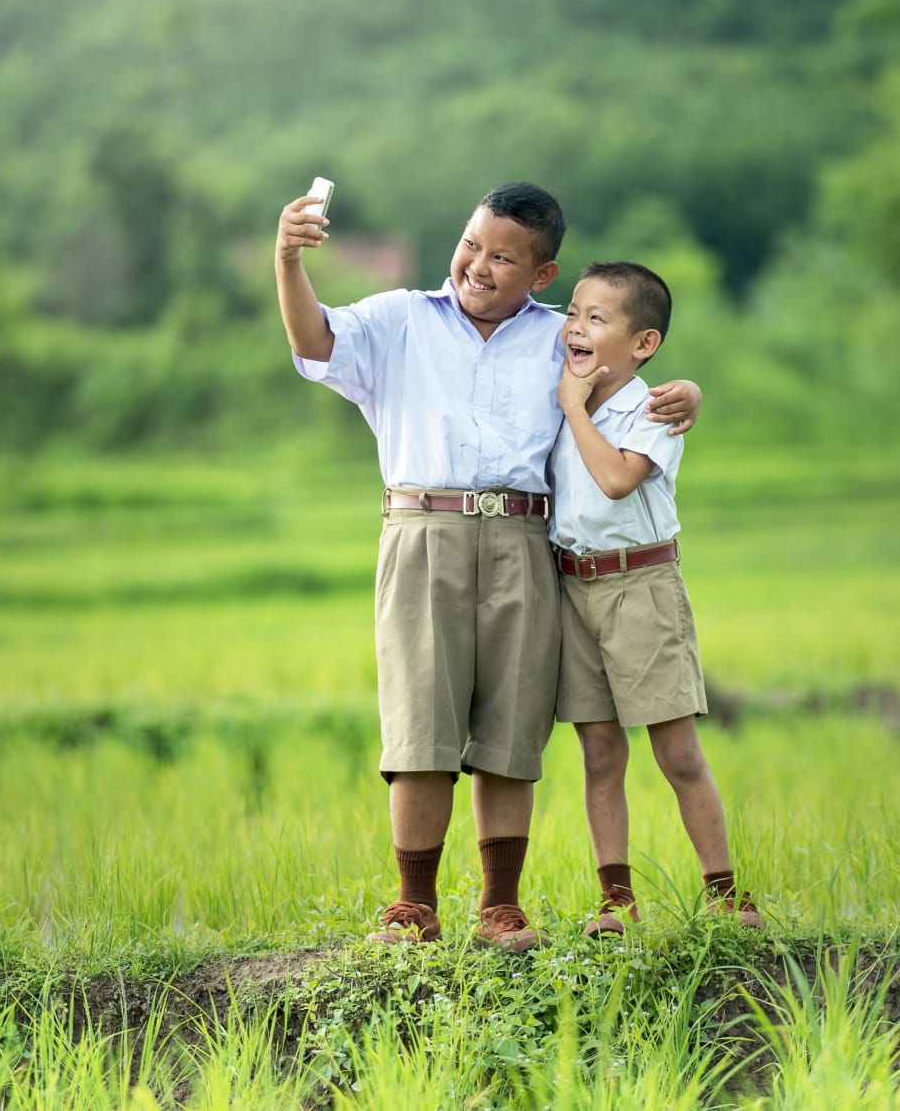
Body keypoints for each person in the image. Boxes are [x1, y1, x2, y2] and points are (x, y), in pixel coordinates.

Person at [274, 183, 702, 951]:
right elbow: (313, 342)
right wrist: (288, 260)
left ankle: (500, 907)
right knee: (420, 721)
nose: (479, 264)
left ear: (542, 275)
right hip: (422, 530)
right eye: (473, 244)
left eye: (504, 257)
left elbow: (628, 384)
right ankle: (413, 903)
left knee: (512, 723)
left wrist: (689, 392)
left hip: (524, 540)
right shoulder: (400, 318)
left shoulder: (559, 339)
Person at [549, 260, 765, 934]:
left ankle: (725, 893)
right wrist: (568, 401)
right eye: (573, 312)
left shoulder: (652, 408)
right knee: (600, 752)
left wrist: (573, 409)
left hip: (640, 586)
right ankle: (617, 901)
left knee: (676, 750)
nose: (577, 327)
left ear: (644, 343)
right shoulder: (560, 388)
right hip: (571, 588)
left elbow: (616, 479)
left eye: (597, 317)